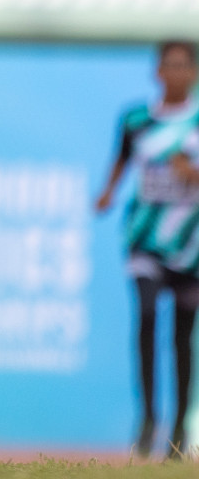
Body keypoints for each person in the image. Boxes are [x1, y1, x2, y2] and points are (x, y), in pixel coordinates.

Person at [95, 40, 199, 460]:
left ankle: (178, 427)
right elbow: (121, 160)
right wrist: (107, 193)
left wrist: (188, 173)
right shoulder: (136, 119)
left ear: (192, 73)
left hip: (191, 246)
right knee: (148, 314)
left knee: (183, 337)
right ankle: (148, 418)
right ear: (156, 72)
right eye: (167, 64)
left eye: (182, 65)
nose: (173, 72)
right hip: (144, 238)